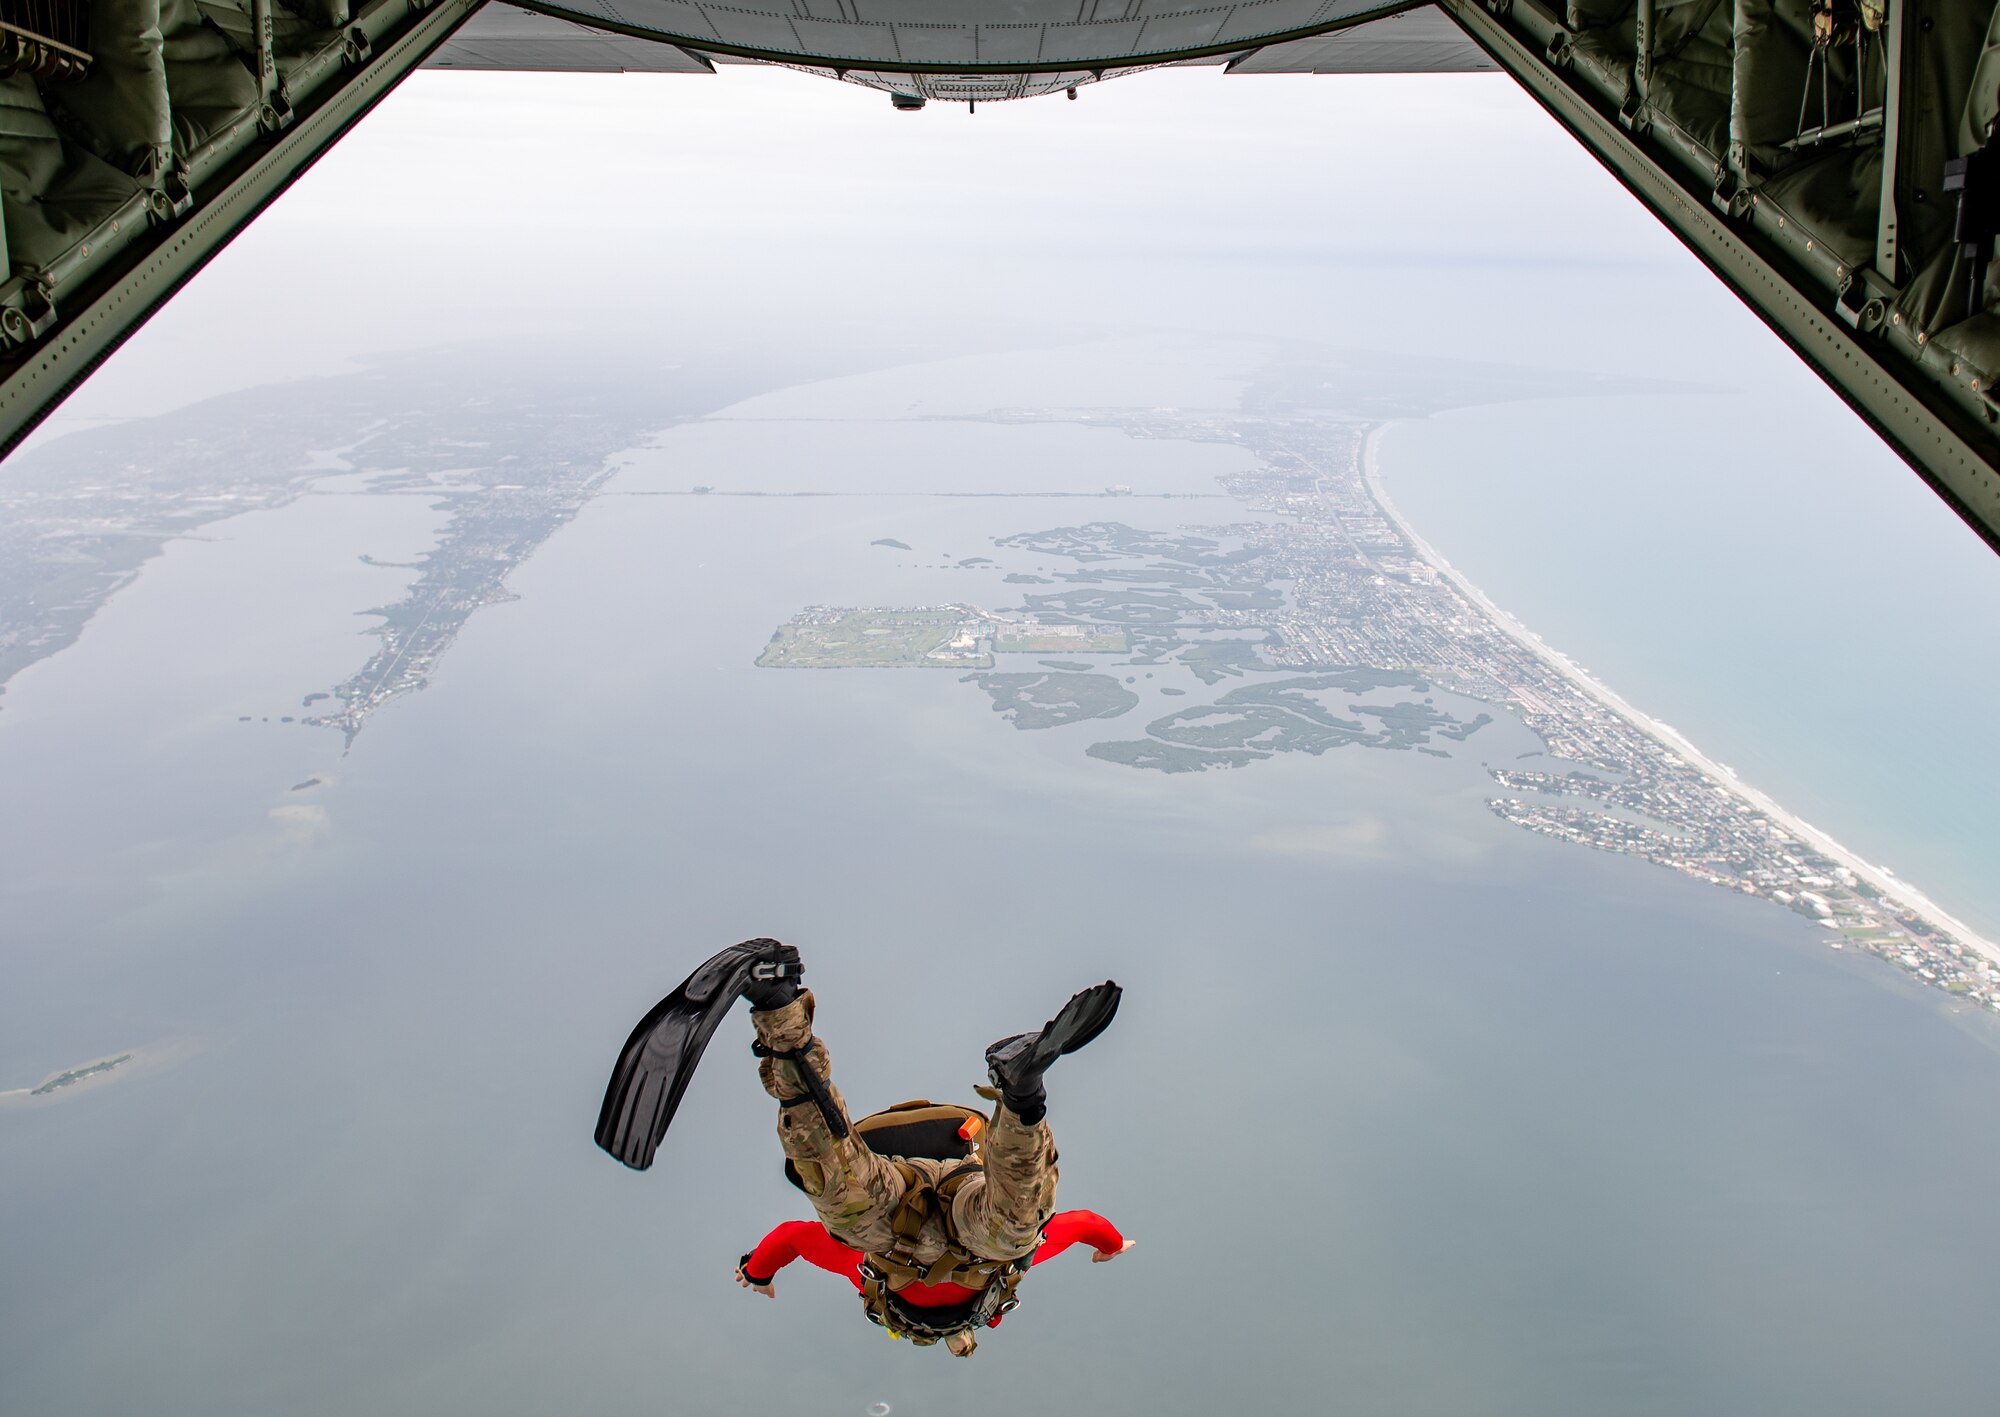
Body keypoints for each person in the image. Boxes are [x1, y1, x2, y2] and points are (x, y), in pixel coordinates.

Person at [732, 939, 1124, 1356]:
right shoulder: (864, 1271)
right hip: (916, 1173)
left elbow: (1084, 1225)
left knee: (1018, 1222)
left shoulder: (1003, 1264)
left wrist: (1111, 1246)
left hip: (939, 1166)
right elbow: (791, 1238)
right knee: (841, 1194)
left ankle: (1021, 1098)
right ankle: (780, 1011)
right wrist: (757, 1272)